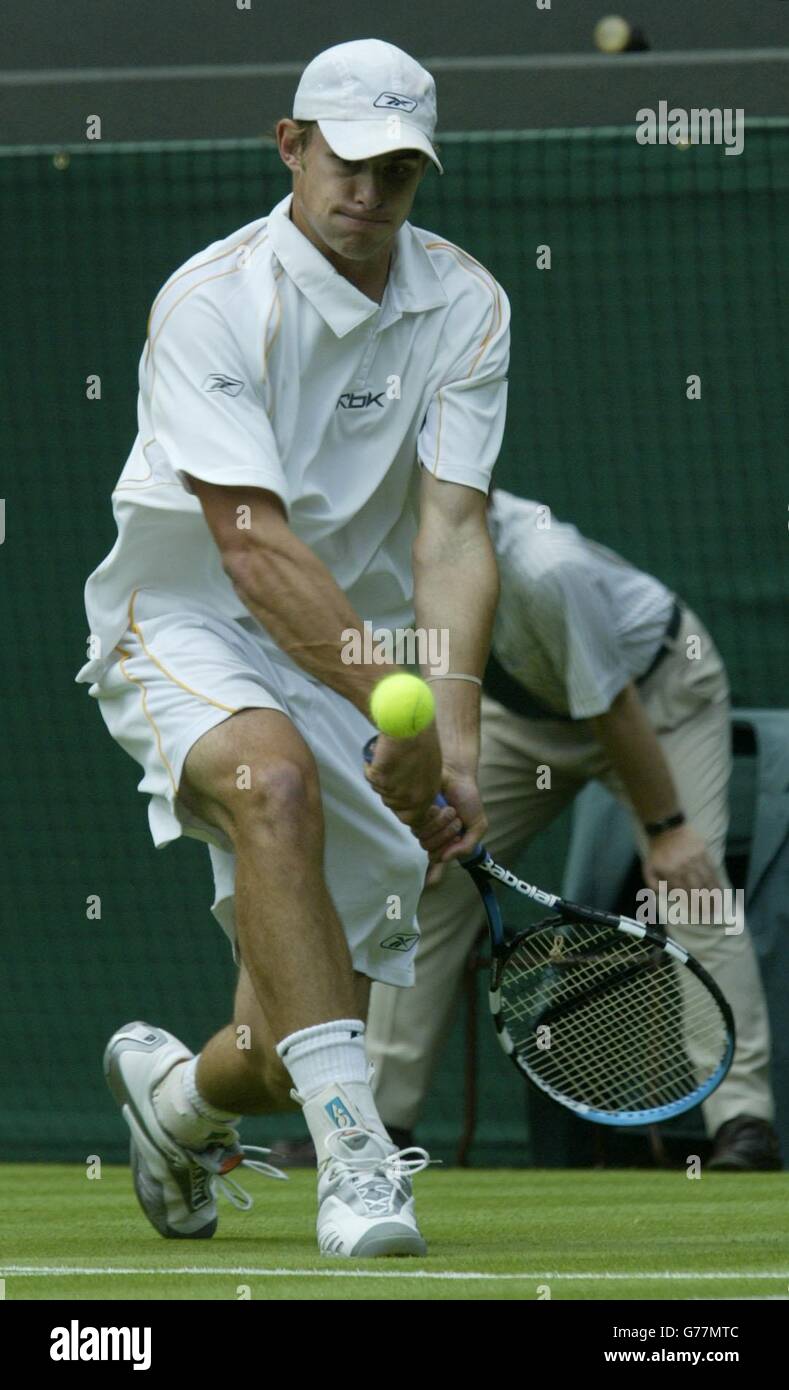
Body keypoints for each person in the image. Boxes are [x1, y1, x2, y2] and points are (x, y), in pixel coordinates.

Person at [76, 38, 510, 1256]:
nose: (368, 194)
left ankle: (174, 1108)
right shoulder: (213, 300)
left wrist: (452, 740)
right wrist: (402, 710)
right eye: (348, 162)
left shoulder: (469, 303)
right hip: (187, 622)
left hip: (356, 659)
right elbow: (254, 549)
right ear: (292, 146)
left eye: (400, 172)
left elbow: (454, 528)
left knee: (275, 1049)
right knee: (271, 778)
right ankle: (359, 1161)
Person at [366, 490, 780, 1171]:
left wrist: (669, 830)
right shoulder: (383, 553)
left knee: (692, 893)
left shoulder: (544, 567)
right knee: (433, 880)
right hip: (521, 718)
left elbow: (611, 707)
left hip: (657, 699)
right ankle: (378, 1125)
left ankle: (742, 1125)